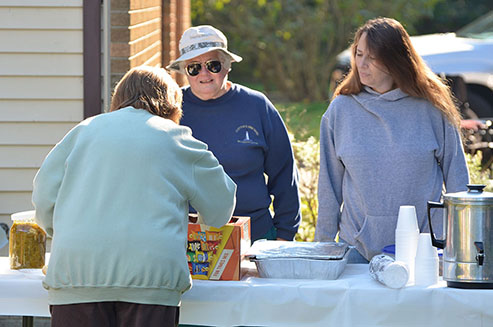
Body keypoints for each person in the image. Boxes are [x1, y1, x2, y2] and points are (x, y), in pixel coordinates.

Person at [32, 66, 236, 327]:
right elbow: (221, 210)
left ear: (119, 98)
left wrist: (62, 230)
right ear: (173, 104)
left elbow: (43, 197)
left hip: (75, 272)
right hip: (151, 278)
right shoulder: (176, 138)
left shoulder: (83, 131)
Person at [314, 18, 469, 263]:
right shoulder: (340, 111)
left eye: (372, 57)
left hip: (424, 251)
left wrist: (461, 247)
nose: (361, 64)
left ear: (396, 59)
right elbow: (329, 188)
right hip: (357, 250)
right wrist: (322, 250)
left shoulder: (432, 108)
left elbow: (457, 179)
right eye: (359, 54)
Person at [166, 25, 301, 242]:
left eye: (213, 65)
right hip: (188, 239)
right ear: (184, 71)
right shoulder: (170, 111)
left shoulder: (257, 105)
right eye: (194, 67)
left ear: (227, 66)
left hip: (255, 236)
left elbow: (285, 175)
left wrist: (285, 235)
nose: (204, 74)